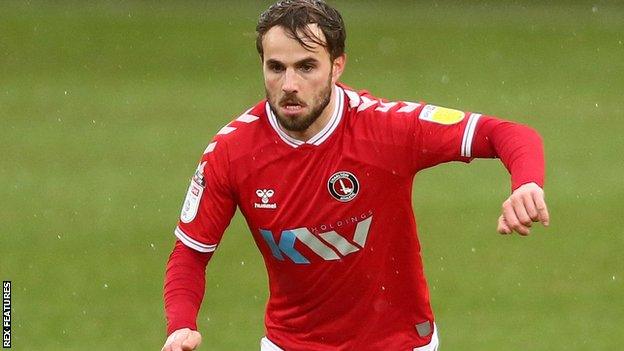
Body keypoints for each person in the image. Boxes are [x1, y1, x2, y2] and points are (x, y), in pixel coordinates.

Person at [161, 0, 550, 350]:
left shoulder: (386, 129)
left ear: (337, 65)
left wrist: (526, 183)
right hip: (291, 345)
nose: (290, 85)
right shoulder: (233, 150)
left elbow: (508, 133)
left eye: (306, 66)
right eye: (276, 67)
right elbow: (190, 254)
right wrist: (181, 326)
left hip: (399, 345)